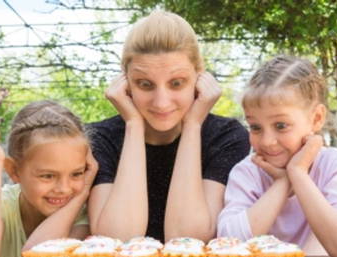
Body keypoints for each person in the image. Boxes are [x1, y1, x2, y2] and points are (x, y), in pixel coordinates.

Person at [86, 11, 250, 243]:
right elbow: (116, 240)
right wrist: (133, 125)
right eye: (145, 84)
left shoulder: (226, 136)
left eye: (176, 83)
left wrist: (193, 126)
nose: (161, 102)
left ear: (199, 77)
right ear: (126, 83)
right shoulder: (99, 138)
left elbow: (188, 239)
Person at [217, 55, 337, 257]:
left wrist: (298, 173)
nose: (267, 141)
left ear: (316, 118)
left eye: (281, 126)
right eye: (256, 127)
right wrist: (283, 183)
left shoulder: (336, 164)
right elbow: (231, 243)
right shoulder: (247, 172)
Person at [0, 100, 98, 257]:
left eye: (77, 174)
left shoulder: (83, 213)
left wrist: (84, 190)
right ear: (14, 171)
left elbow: (38, 254)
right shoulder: (2, 204)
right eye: (48, 176)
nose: (64, 189)